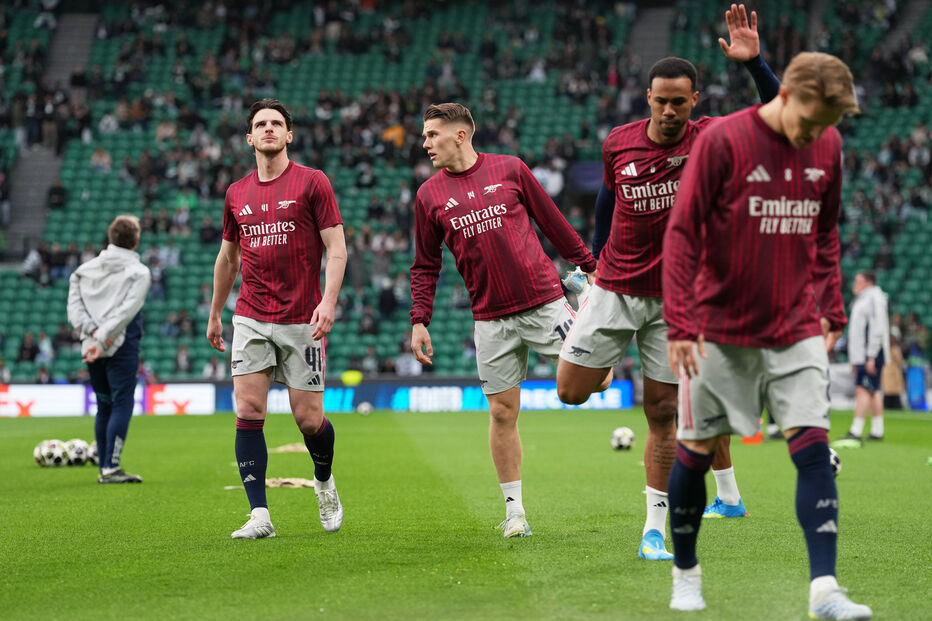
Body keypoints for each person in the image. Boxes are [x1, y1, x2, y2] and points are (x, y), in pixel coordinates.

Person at [555, 4, 777, 558]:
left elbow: (781, 112)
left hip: (678, 301)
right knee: (569, 392)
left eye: (681, 101)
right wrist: (597, 257)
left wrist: (755, 64)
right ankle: (602, 356)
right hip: (614, 288)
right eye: (662, 101)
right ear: (648, 99)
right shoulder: (619, 142)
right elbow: (607, 197)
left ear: (695, 101)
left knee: (662, 414)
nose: (672, 110)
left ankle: (654, 528)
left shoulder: (712, 138)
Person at [662, 52, 870, 619]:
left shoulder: (827, 144)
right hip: (718, 328)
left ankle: (824, 589)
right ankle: (686, 575)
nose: (815, 133)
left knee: (813, 450)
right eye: (809, 119)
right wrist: (679, 322)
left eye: (827, 124)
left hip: (794, 323)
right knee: (697, 451)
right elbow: (680, 233)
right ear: (785, 95)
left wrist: (831, 306)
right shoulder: (724, 141)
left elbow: (825, 234)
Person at [410, 102, 597, 538]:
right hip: (490, 320)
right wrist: (420, 319)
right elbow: (424, 264)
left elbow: (553, 223)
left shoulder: (510, 169)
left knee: (597, 384)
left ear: (459, 135)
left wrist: (587, 264)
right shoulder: (428, 195)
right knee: (501, 413)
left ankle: (591, 314)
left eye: (432, 134)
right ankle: (515, 512)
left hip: (545, 305)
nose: (425, 143)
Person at [206, 98, 347, 540]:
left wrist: (328, 301)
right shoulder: (236, 193)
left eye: (276, 124)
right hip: (250, 316)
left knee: (309, 421)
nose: (268, 129)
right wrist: (215, 312)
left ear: (289, 135)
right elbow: (228, 259)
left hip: (301, 319)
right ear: (249, 137)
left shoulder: (313, 183)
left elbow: (337, 248)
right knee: (248, 410)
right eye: (260, 124)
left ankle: (323, 480)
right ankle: (259, 515)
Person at [67, 215, 151, 483]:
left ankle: (105, 467)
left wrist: (93, 336)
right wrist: (103, 338)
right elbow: (125, 313)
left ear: (111, 238)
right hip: (120, 346)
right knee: (121, 403)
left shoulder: (83, 270)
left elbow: (74, 311)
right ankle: (111, 468)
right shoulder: (139, 273)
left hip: (91, 345)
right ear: (136, 241)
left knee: (103, 405)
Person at [844, 270, 890, 441]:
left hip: (870, 353)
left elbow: (876, 328)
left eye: (858, 281)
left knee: (862, 389)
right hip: (864, 353)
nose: (855, 284)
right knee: (874, 390)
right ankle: (877, 430)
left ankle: (856, 430)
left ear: (868, 282)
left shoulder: (873, 299)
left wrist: (870, 355)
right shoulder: (864, 298)